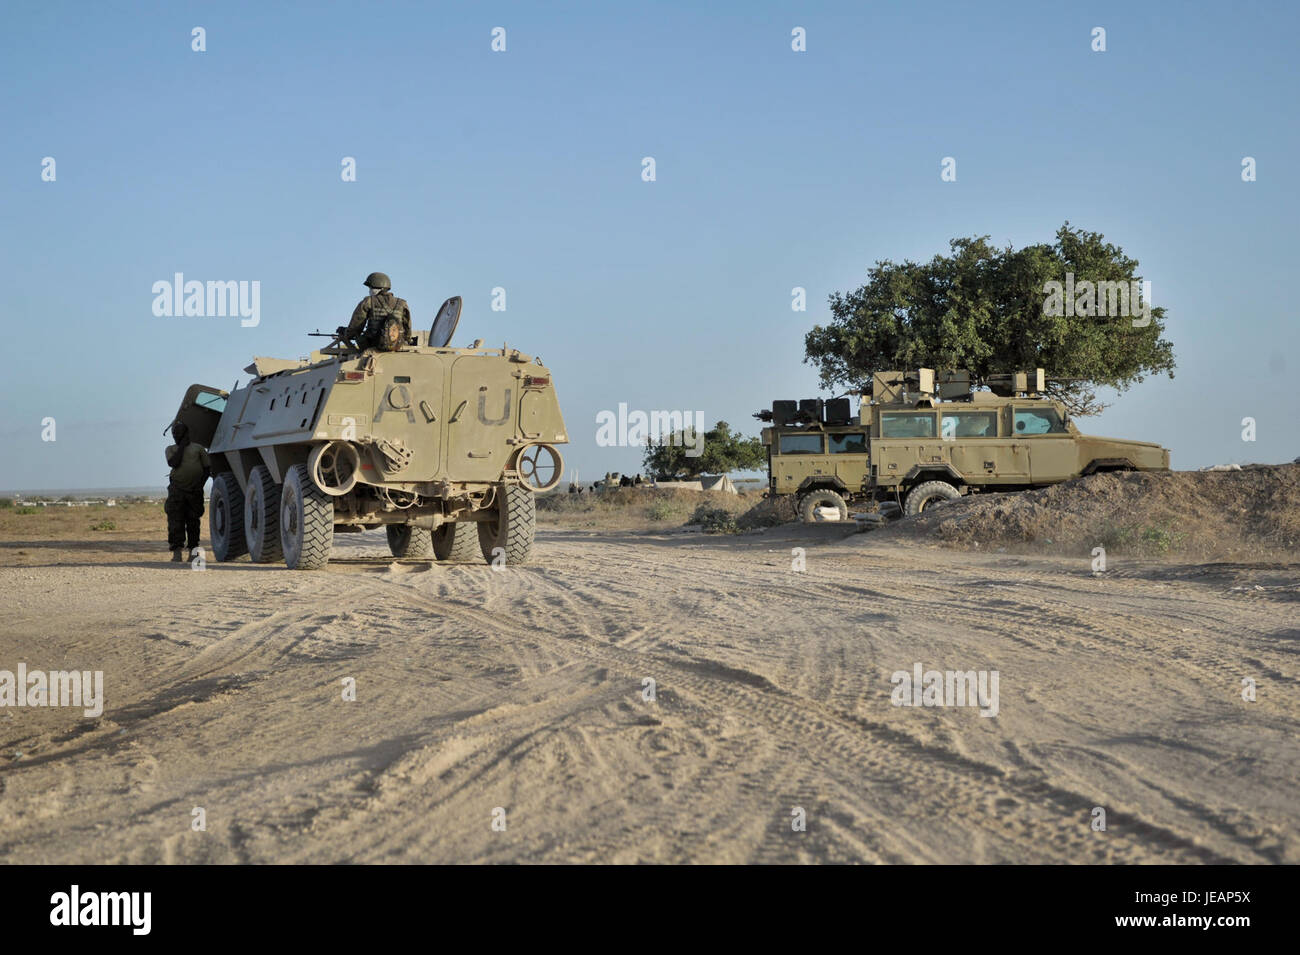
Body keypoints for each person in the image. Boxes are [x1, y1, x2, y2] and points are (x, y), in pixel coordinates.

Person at [164, 421, 211, 562]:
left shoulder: (198, 449)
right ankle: (176, 553)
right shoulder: (171, 449)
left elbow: (207, 469)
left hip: (194, 490)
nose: (175, 435)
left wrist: (199, 485)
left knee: (193, 522)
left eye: (178, 433)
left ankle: (193, 552)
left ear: (186, 433)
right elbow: (174, 463)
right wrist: (182, 446)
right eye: (174, 433)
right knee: (175, 521)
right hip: (177, 490)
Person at [337, 272, 412, 351]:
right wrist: (406, 340)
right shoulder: (402, 303)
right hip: (396, 345)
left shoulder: (368, 301)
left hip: (372, 345)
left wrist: (345, 333)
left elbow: (356, 326)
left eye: (370, 288)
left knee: (361, 338)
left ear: (376, 289)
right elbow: (407, 329)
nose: (369, 291)